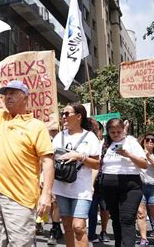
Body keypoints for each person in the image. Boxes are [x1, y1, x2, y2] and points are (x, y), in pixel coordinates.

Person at [0, 50, 54, 246]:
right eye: (5, 94)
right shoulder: (1, 118)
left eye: (13, 93)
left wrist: (46, 195)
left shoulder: (37, 126)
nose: (7, 97)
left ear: (25, 97)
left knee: (21, 244)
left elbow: (48, 162)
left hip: (20, 199)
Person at [52, 104, 100, 247]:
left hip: (81, 190)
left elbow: (97, 164)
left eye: (67, 113)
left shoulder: (90, 137)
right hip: (60, 188)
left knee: (78, 227)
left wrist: (80, 157)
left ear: (78, 116)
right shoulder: (59, 136)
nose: (64, 116)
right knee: (67, 226)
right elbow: (49, 161)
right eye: (62, 114)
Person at [99, 118, 147, 247]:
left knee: (127, 219)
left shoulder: (131, 142)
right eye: (112, 132)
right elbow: (97, 164)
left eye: (118, 132)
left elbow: (144, 164)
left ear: (123, 130)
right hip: (109, 186)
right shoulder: (104, 144)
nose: (115, 135)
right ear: (108, 132)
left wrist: (128, 155)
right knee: (116, 219)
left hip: (130, 185)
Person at [137, 132, 154, 245]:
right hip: (140, 186)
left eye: (152, 140)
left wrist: (149, 156)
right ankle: (143, 238)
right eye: (147, 140)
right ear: (143, 141)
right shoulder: (138, 153)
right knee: (141, 213)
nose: (150, 142)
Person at [87, 118, 111, 243]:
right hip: (90, 179)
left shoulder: (106, 143)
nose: (93, 131)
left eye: (96, 129)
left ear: (101, 131)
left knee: (104, 208)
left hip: (103, 179)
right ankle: (91, 234)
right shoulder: (86, 142)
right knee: (91, 208)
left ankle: (103, 231)